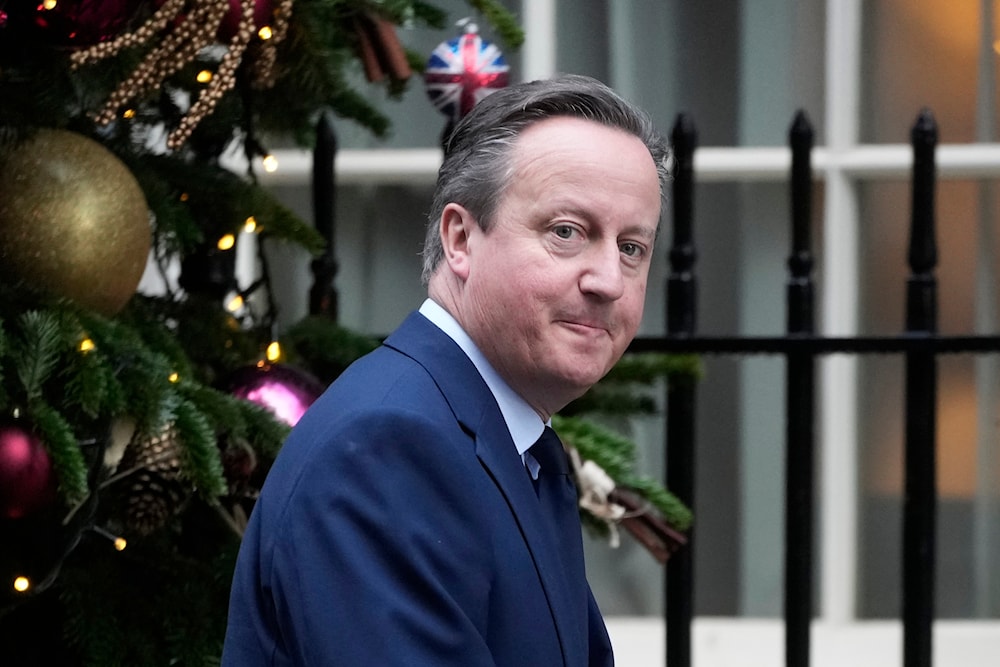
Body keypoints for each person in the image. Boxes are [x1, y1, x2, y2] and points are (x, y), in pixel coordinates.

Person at [221, 73, 671, 666]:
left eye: (632, 247)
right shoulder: (387, 448)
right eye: (567, 232)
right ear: (460, 238)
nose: (609, 280)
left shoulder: (516, 444)